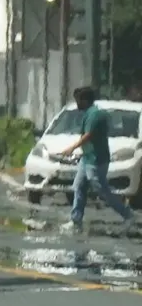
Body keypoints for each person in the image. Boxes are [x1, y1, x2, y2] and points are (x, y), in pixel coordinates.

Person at [59, 86, 135, 235]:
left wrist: (71, 148)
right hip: (87, 158)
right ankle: (76, 220)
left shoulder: (94, 114)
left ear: (85, 100)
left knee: (102, 191)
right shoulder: (91, 113)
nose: (77, 104)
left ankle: (127, 214)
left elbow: (88, 135)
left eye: (79, 100)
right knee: (79, 187)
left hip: (96, 160)